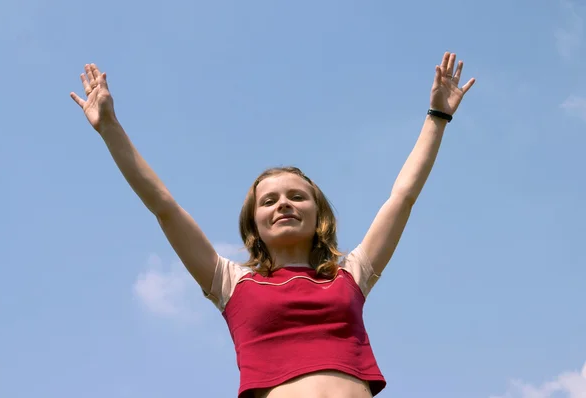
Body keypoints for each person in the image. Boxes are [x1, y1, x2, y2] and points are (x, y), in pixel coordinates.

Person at [70, 51, 475, 398]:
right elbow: (164, 206)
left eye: (297, 196)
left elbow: (402, 198)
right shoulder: (230, 282)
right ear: (254, 224)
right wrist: (110, 128)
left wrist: (437, 116)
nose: (284, 204)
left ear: (319, 216)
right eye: (269, 200)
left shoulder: (351, 274)